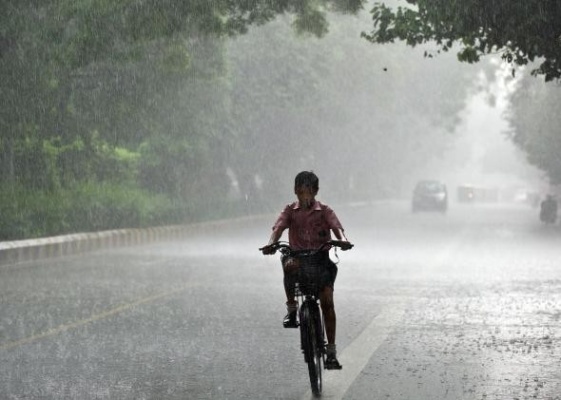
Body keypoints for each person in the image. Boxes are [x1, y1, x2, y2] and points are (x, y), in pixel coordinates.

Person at [261, 171, 352, 370]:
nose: (305, 198)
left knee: (327, 302)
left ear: (316, 192)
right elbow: (277, 229)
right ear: (295, 191)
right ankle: (292, 309)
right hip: (299, 260)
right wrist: (270, 244)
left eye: (309, 193)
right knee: (288, 263)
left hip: (320, 260)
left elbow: (338, 229)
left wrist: (343, 242)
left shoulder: (325, 211)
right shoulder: (289, 211)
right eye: (301, 193)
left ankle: (331, 352)